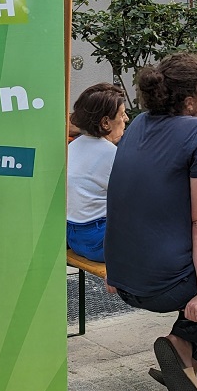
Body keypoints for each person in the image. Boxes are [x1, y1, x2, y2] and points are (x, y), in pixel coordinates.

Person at [105, 51, 197, 391]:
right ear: (188, 100)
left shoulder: (136, 125)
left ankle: (185, 363)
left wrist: (113, 267)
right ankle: (183, 346)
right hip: (164, 284)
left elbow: (120, 199)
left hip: (123, 280)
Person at [66, 83, 128, 261]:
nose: (126, 119)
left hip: (72, 236)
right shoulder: (111, 154)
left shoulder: (74, 145)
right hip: (99, 241)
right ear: (105, 122)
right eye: (122, 114)